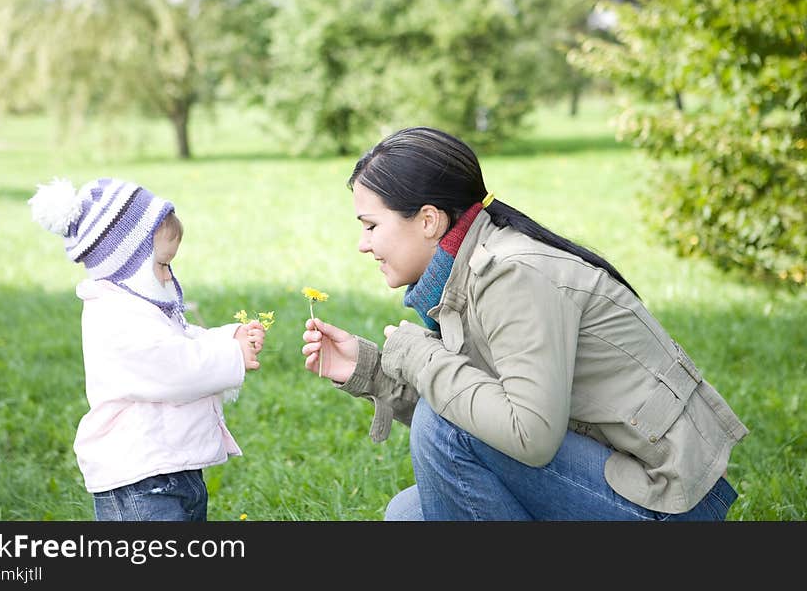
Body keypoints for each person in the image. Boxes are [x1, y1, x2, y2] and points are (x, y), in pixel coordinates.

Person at [301, 126, 748, 521]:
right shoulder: (468, 270)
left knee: (444, 425)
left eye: (371, 226)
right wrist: (373, 372)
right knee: (408, 515)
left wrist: (421, 356)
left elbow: (527, 435)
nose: (363, 245)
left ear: (429, 220)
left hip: (667, 500)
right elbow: (484, 400)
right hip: (614, 473)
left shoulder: (513, 274)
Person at [29, 177, 265, 521]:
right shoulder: (117, 317)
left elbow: (181, 341)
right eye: (161, 265)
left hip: (169, 466)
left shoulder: (139, 307)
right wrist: (232, 356)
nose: (169, 277)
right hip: (140, 479)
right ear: (125, 265)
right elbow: (173, 369)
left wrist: (228, 339)